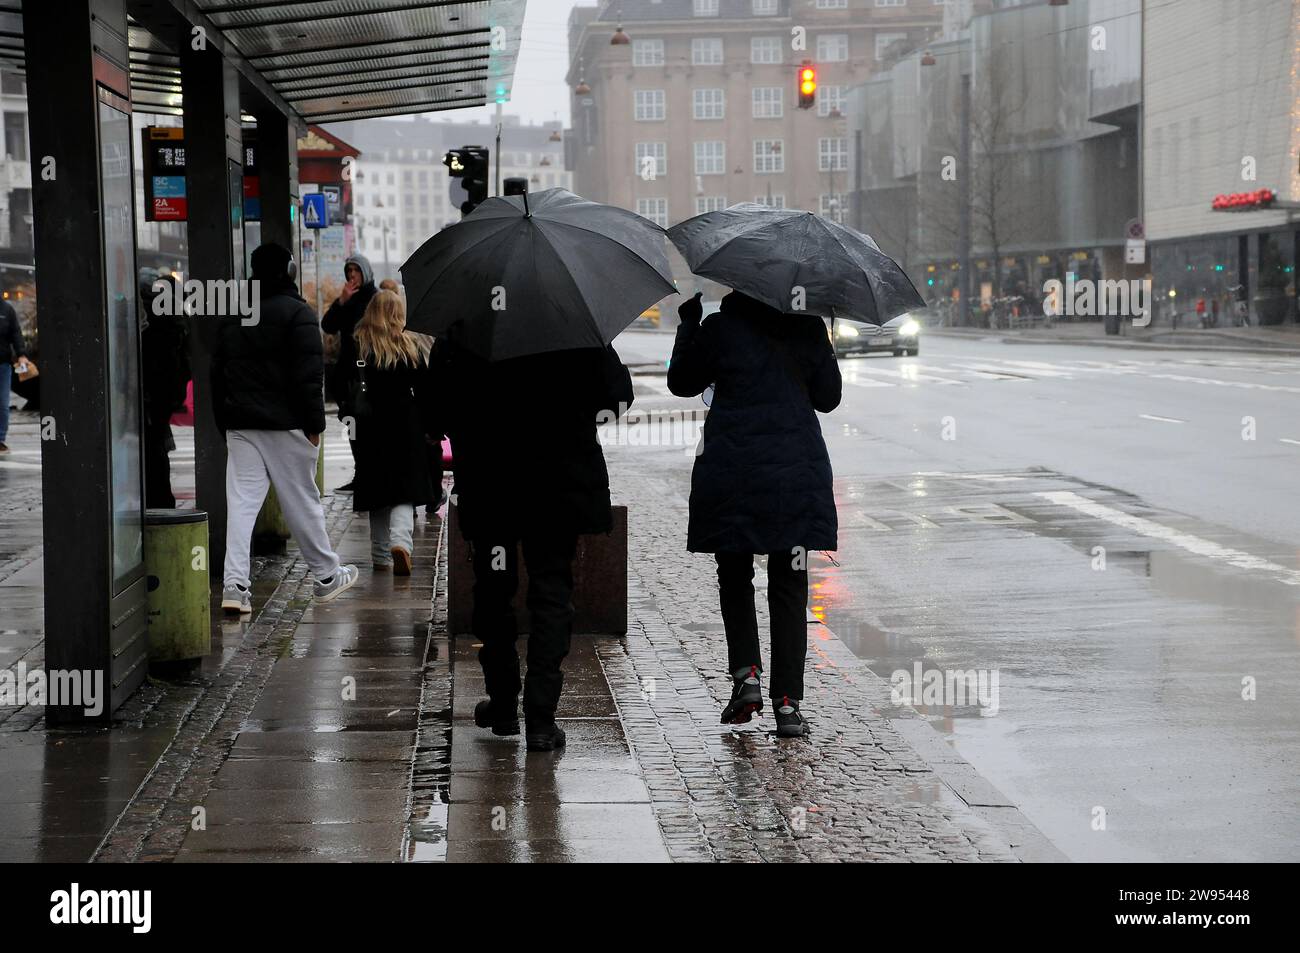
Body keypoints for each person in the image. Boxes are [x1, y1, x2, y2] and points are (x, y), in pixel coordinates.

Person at [438, 340, 633, 751]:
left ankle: (505, 703)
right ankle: (541, 719)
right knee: (552, 592)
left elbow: (436, 410)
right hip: (557, 489)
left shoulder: (468, 328)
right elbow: (616, 399)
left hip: (493, 485)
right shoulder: (575, 328)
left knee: (493, 591)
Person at [667, 290, 842, 738]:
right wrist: (824, 343)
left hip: (733, 471)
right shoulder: (806, 326)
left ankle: (746, 679)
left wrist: (688, 325)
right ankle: (787, 704)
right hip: (795, 474)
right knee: (789, 586)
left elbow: (682, 382)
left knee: (734, 576)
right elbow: (828, 398)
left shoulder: (720, 329)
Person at [211, 243, 358, 615]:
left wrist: (224, 422)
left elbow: (217, 375)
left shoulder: (235, 315)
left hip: (241, 423)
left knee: (242, 505)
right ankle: (326, 576)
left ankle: (234, 586)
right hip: (286, 423)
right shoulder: (298, 314)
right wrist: (314, 426)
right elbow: (308, 378)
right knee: (301, 501)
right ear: (290, 271)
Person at [350, 289, 438, 575]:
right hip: (405, 424)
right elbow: (425, 389)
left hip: (370, 426)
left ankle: (379, 556)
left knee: (377, 491)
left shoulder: (360, 344)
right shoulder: (408, 345)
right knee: (404, 490)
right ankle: (401, 543)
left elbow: (343, 383)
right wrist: (431, 426)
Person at [321, 254, 378, 490]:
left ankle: (371, 472)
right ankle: (361, 473)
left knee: (368, 424)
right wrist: (341, 302)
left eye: (356, 270)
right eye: (349, 271)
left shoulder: (375, 299)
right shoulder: (348, 299)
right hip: (348, 373)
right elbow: (328, 326)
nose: (352, 275)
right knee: (352, 423)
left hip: (368, 372)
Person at [139, 271, 190, 508]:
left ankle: (152, 498)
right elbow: (187, 361)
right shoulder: (175, 314)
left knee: (147, 447)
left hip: (143, 389)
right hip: (166, 391)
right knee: (157, 445)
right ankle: (162, 499)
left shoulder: (139, 313)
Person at [0, 293, 28, 454]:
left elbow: (16, 333)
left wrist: (21, 354)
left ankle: (0, 440)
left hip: (3, 364)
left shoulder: (7, 309)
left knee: (3, 403)